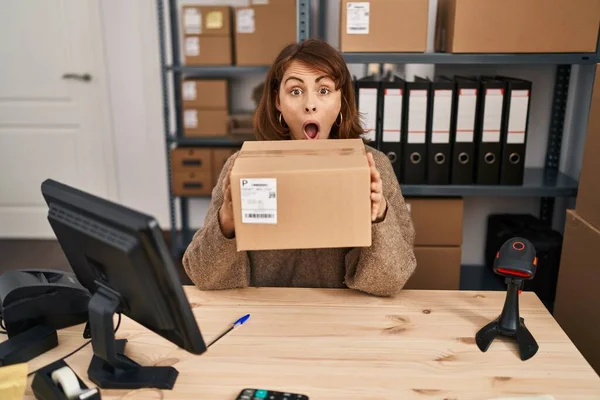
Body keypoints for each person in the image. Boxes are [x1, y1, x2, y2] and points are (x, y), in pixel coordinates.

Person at [182, 38, 416, 297]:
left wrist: (379, 215)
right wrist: (226, 223)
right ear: (278, 102)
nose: (310, 104)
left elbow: (392, 281)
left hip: (348, 319)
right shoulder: (243, 167)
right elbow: (203, 276)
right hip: (267, 315)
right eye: (295, 91)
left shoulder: (375, 167)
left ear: (341, 102)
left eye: (324, 90)